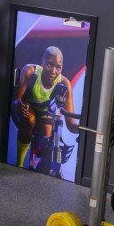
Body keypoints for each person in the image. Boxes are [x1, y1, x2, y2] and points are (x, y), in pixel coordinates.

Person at [11, 47, 81, 176]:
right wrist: (20, 105)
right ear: (42, 62)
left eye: (58, 67)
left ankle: (39, 159)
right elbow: (16, 101)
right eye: (50, 65)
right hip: (27, 110)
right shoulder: (30, 71)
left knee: (46, 138)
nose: (54, 71)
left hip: (45, 113)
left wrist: (82, 128)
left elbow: (71, 122)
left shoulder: (64, 83)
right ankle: (19, 164)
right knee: (30, 120)